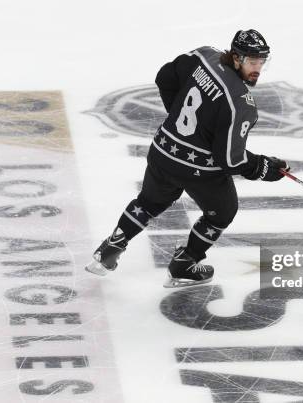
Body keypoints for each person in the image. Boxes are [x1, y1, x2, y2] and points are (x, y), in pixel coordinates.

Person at [86, 29, 289, 287]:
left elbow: (164, 78)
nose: (257, 68)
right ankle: (184, 264)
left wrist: (177, 119)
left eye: (262, 62)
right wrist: (264, 168)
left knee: (147, 203)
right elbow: (231, 160)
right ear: (236, 58)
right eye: (252, 61)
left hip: (163, 150)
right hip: (197, 170)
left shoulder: (204, 57)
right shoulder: (241, 103)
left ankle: (108, 251)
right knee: (223, 212)